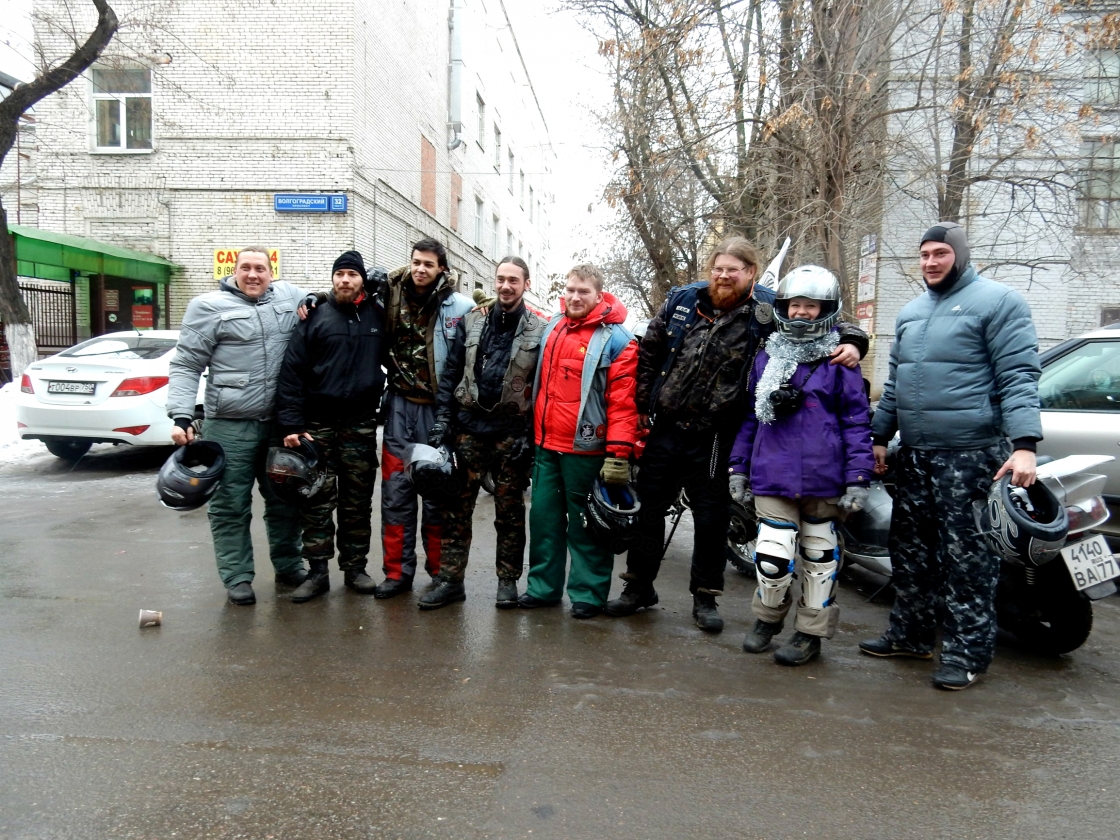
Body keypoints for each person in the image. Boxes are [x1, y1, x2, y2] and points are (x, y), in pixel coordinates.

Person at [606, 236, 867, 633]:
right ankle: (638, 587)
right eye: (719, 268)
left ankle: (705, 597)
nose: (724, 275)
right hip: (667, 427)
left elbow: (820, 319)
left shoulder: (766, 308)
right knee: (649, 512)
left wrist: (854, 340)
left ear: (750, 273)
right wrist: (644, 405)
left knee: (712, 519)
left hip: (716, 436)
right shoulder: (683, 302)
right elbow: (651, 350)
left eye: (734, 269)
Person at [860, 222, 1041, 691]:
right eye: (924, 255)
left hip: (972, 455)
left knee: (968, 560)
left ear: (958, 255)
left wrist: (1024, 446)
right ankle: (911, 635)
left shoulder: (998, 302)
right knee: (910, 551)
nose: (930, 262)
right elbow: (896, 383)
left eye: (940, 253)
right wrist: (880, 437)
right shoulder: (912, 312)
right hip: (917, 455)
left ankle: (967, 654)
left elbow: (1019, 376)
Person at [729, 266, 874, 665]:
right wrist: (738, 467)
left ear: (825, 310)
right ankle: (767, 619)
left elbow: (856, 422)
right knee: (773, 559)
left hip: (825, 478)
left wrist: (859, 477)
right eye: (795, 304)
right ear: (784, 307)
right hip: (772, 474)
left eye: (811, 306)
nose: (802, 313)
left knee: (819, 559)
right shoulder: (765, 356)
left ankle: (810, 634)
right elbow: (750, 418)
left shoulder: (841, 360)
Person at [167, 246, 308, 605]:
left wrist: (315, 301)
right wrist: (181, 415)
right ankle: (237, 577)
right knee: (230, 504)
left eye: (260, 268)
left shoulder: (289, 297)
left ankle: (289, 565)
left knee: (285, 499)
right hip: (229, 425)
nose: (253, 275)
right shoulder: (208, 307)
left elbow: (316, 299)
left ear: (271, 272)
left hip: (278, 425)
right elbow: (186, 364)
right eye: (246, 268)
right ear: (234, 270)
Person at [420, 257, 547, 610]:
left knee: (509, 513)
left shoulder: (539, 329)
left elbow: (541, 387)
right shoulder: (472, 321)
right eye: (501, 279)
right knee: (456, 510)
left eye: (514, 280)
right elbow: (451, 374)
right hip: (468, 431)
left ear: (526, 284)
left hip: (510, 434)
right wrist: (444, 422)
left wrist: (529, 436)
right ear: (495, 282)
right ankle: (450, 580)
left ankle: (507, 581)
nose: (506, 286)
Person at [518, 264, 640, 618]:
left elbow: (623, 403)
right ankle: (542, 588)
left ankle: (587, 594)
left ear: (599, 296)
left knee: (587, 527)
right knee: (544, 521)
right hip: (546, 446)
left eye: (583, 291)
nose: (574, 297)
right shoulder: (553, 327)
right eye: (570, 289)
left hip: (587, 451)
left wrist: (618, 454)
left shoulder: (618, 340)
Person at [276, 250, 387, 602]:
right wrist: (291, 423)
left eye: (351, 274)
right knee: (317, 501)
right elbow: (291, 373)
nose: (344, 280)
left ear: (362, 280)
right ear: (332, 278)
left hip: (360, 425)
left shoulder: (378, 317)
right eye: (339, 274)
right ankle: (318, 571)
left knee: (357, 503)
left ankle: (355, 568)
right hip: (317, 427)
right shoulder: (314, 317)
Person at [375, 238, 475, 598]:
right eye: (416, 262)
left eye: (428, 264)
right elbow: (348, 291)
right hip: (400, 407)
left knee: (437, 493)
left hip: (439, 411)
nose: (420, 269)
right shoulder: (389, 295)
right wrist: (320, 299)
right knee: (396, 493)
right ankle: (397, 573)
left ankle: (440, 573)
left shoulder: (461, 307)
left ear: (441, 269)